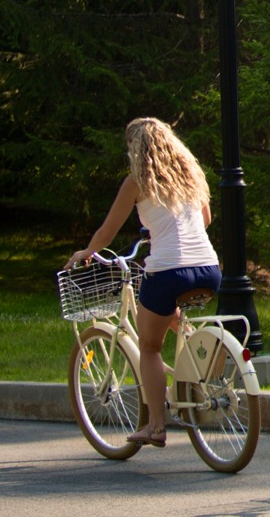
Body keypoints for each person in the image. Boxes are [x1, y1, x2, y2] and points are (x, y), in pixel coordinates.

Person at [64, 117, 221, 448]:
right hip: (209, 268)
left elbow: (107, 232)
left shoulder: (137, 182)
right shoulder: (191, 177)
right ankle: (197, 355)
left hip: (167, 271)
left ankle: (156, 427)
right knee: (169, 315)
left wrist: (87, 252)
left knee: (149, 347)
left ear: (136, 149)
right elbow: (205, 220)